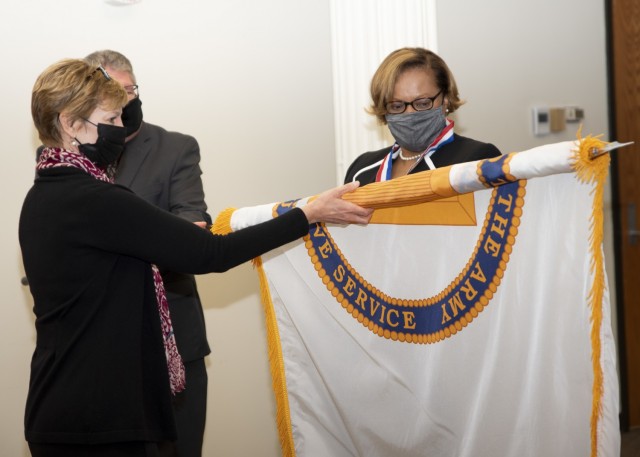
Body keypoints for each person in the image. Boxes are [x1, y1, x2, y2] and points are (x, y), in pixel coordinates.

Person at [20, 58, 372, 457]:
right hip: (97, 420)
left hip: (67, 406)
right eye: (113, 119)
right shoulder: (95, 200)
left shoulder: (45, 194)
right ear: (70, 124)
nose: (121, 130)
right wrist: (308, 215)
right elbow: (212, 253)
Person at [83, 49, 208, 457]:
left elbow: (194, 230)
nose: (122, 101)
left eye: (128, 90)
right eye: (108, 93)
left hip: (171, 337)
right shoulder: (72, 156)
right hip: (99, 344)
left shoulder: (175, 148)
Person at [344, 47, 501, 184]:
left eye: (423, 103)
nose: (410, 114)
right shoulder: (361, 170)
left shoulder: (478, 159)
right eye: (397, 106)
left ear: (445, 100)